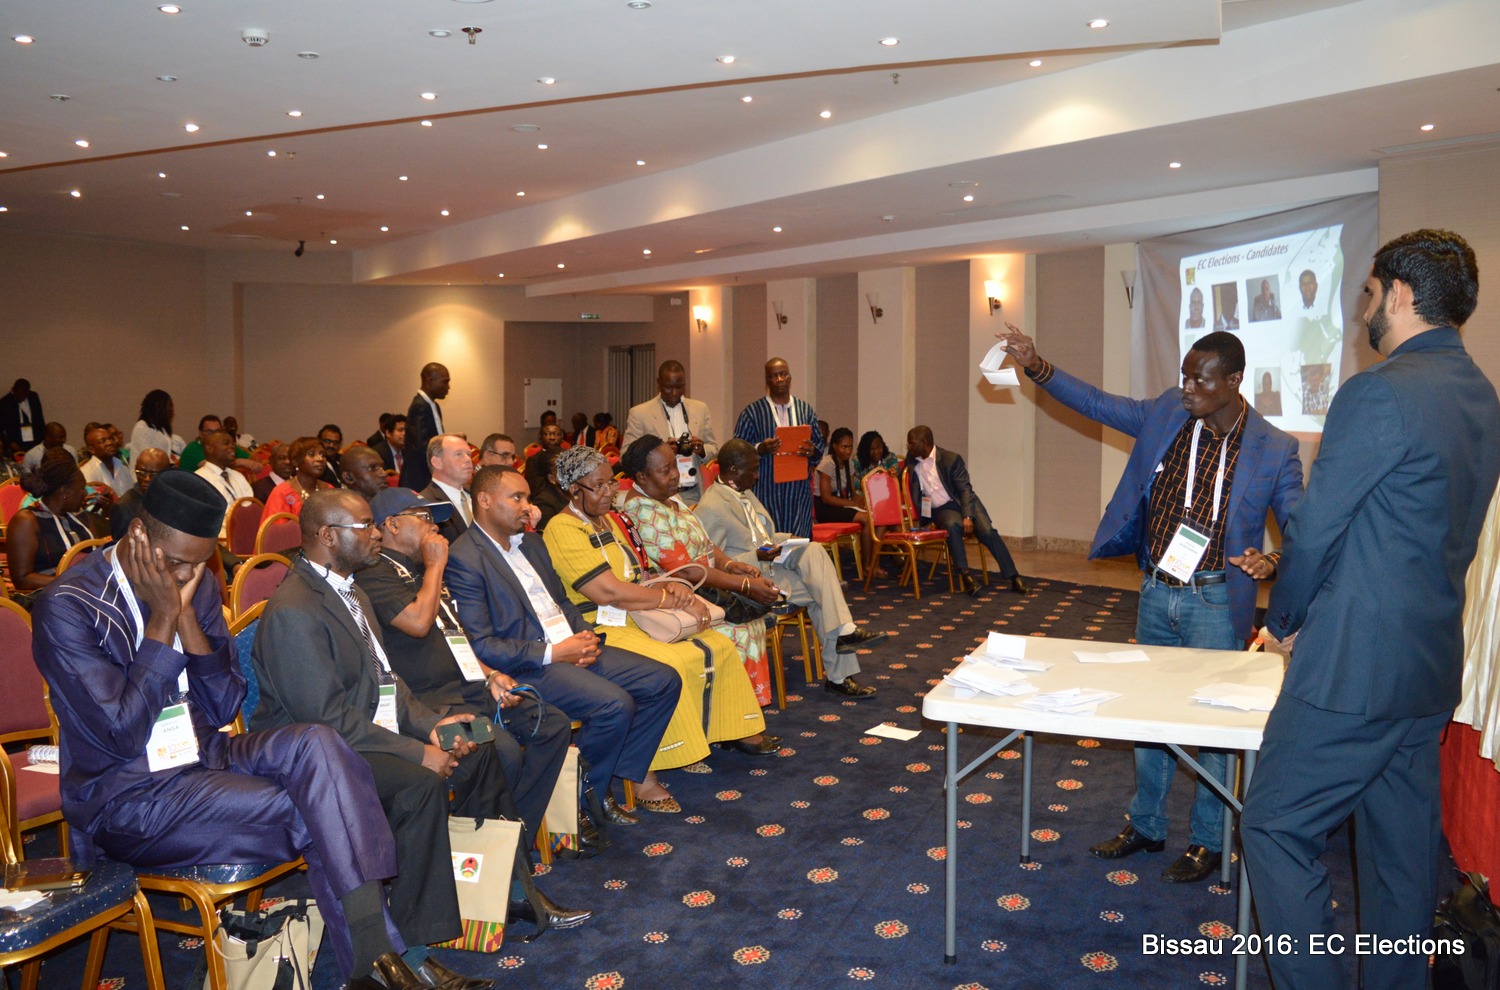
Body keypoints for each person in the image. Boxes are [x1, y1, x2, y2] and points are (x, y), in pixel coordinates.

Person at [29, 471, 450, 988]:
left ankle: (375, 961)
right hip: (130, 792)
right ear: (138, 535)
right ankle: (380, 959)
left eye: (198, 564)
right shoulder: (68, 606)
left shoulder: (197, 583)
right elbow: (121, 734)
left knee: (319, 742)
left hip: (206, 756)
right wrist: (164, 619)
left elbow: (224, 702)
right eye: (176, 563)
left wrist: (186, 615)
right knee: (325, 802)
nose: (187, 575)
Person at [1241, 229, 1500, 990]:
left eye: (1370, 293)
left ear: (1402, 295)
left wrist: (1282, 622)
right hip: (1427, 666)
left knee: (1276, 825)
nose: (1363, 312)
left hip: (1353, 667)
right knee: (1400, 856)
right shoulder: (1481, 394)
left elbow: (1316, 529)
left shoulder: (1379, 390)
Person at [1003, 325, 1302, 884]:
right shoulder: (1168, 411)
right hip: (1156, 589)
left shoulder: (1274, 448)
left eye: (1200, 380)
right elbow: (1098, 404)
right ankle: (1146, 825)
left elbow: (1298, 525)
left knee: (1213, 726)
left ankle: (1208, 839)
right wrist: (1037, 365)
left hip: (1216, 598)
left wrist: (1275, 559)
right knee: (1148, 715)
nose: (1187, 387)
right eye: (1184, 376)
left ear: (1234, 381)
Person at [254, 489, 589, 950]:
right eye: (365, 526)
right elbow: (324, 719)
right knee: (420, 783)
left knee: (479, 744)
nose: (376, 534)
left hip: (366, 728)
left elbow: (387, 682)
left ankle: (511, 891)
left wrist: (433, 726)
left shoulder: (348, 590)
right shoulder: (295, 610)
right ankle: (415, 945)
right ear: (328, 536)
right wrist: (419, 751)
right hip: (317, 754)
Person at [444, 464, 682, 817]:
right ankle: (584, 798)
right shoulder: (464, 557)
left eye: (527, 497)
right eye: (516, 497)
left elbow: (562, 602)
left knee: (662, 680)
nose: (527, 506)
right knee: (614, 705)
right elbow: (481, 644)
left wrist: (585, 638)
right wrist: (554, 653)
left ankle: (605, 776)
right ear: (484, 500)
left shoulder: (532, 543)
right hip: (527, 666)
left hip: (569, 647)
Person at [354, 487, 573, 851]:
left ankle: (514, 835)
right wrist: (436, 566)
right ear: (391, 525)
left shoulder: (421, 569)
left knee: (551, 725)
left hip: (469, 687)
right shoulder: (374, 573)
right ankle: (500, 850)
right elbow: (418, 623)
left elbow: (454, 635)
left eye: (435, 520)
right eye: (424, 518)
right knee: (501, 749)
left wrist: (490, 675)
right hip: (428, 703)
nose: (434, 527)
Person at [700, 438, 888, 697]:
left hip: (772, 570)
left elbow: (762, 534)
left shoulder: (744, 492)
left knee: (814, 553)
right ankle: (840, 666)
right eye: (753, 470)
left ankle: (844, 639)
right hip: (749, 585)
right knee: (824, 593)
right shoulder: (711, 506)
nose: (757, 476)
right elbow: (711, 564)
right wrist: (756, 556)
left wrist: (785, 540)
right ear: (733, 470)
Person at [618, 435, 778, 706]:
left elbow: (703, 541)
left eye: (674, 465)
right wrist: (744, 585)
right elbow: (686, 571)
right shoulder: (642, 511)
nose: (674, 474)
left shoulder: (668, 496)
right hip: (679, 597)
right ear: (642, 477)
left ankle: (743, 712)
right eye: (664, 470)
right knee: (737, 631)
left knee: (750, 622)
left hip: (706, 586)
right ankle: (730, 712)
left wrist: (730, 565)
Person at [904, 426, 1028, 597]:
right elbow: (901, 474)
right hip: (942, 509)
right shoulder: (912, 459)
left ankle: (1014, 577)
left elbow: (965, 490)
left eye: (911, 443)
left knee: (988, 532)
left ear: (924, 443)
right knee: (952, 525)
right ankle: (965, 575)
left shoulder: (951, 459)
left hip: (964, 502)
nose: (908, 447)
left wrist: (968, 516)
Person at [733, 357, 824, 538]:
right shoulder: (752, 413)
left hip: (798, 492)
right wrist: (760, 448)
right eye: (774, 376)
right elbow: (737, 450)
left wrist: (812, 451)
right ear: (767, 381)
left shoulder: (805, 410)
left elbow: (819, 445)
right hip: (766, 491)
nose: (780, 379)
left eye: (783, 374)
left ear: (790, 377)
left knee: (800, 541)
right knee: (770, 539)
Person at [7, 448, 107, 592]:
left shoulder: (80, 516)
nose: (85, 493)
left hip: (86, 590)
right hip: (48, 595)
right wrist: (75, 584)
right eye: (81, 488)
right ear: (64, 491)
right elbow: (22, 579)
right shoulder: (27, 521)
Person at [622, 360, 719, 507]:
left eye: (679, 387)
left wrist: (702, 451)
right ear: (659, 383)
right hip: (656, 495)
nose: (674, 393)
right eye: (668, 387)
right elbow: (626, 457)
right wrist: (661, 453)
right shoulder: (640, 413)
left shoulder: (700, 409)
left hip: (692, 492)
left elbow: (713, 447)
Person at [193, 429, 254, 544]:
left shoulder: (238, 476)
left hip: (246, 537)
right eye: (226, 443)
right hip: (218, 543)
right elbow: (202, 522)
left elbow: (250, 508)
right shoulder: (199, 480)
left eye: (233, 443)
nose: (232, 447)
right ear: (210, 449)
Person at [259, 436, 332, 526]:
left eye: (322, 455)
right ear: (295, 461)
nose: (320, 459)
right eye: (312, 454)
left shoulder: (329, 489)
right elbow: (275, 531)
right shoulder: (282, 493)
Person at [400, 363, 450, 491]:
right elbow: (421, 445)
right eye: (445, 382)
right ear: (430, 381)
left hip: (429, 473)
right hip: (419, 478)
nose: (448, 387)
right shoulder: (420, 406)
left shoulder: (433, 405)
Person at [420, 434, 476, 543]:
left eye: (468, 454)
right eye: (459, 454)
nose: (468, 459)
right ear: (437, 462)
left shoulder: (478, 494)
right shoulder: (425, 505)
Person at [111, 448, 169, 542]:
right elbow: (121, 546)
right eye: (141, 473)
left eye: (153, 474)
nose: (146, 478)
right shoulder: (124, 507)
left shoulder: (171, 498)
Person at [130, 389, 184, 461]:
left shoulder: (161, 428)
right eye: (170, 405)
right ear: (159, 407)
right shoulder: (142, 427)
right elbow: (148, 458)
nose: (172, 409)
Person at [81, 423, 133, 497]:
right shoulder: (86, 473)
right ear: (91, 449)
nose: (110, 443)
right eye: (102, 441)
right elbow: (91, 503)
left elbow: (131, 497)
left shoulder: (123, 468)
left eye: (111, 438)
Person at [523, 447, 569, 531]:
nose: (571, 473)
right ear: (552, 478)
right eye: (564, 471)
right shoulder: (544, 504)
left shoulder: (575, 491)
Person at [0, 377, 44, 454]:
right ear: (13, 390)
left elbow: (39, 419)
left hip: (35, 441)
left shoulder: (33, 397)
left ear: (27, 392)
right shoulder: (4, 403)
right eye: (18, 395)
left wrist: (42, 438)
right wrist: (9, 442)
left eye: (23, 395)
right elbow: (2, 427)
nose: (20, 397)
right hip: (16, 443)